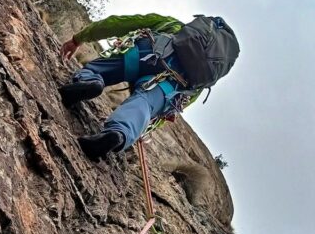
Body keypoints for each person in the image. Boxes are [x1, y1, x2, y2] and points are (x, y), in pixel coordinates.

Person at [58, 12, 238, 160]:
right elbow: (176, 106)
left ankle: (91, 81)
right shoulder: (201, 78)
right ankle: (119, 133)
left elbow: (121, 23)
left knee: (103, 69)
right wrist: (143, 127)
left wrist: (79, 39)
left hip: (145, 52)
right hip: (172, 84)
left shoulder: (173, 25)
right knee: (144, 103)